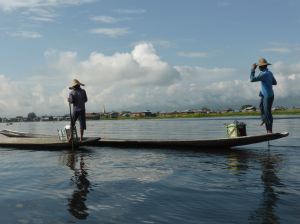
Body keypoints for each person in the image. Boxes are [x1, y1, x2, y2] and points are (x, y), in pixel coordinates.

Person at [250, 58, 277, 133]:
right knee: (261, 107)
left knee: (267, 112)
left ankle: (269, 130)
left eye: (259, 66)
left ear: (262, 67)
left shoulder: (264, 74)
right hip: (266, 94)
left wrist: (253, 69)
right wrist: (267, 82)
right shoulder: (269, 73)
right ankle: (264, 119)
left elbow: (252, 79)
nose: (258, 68)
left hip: (267, 95)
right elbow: (275, 82)